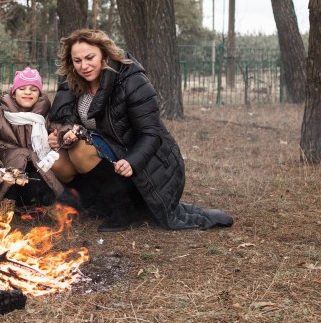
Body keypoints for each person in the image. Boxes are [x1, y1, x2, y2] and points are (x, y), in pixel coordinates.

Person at [48, 29, 233, 232]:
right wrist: (66, 134)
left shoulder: (132, 81)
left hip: (141, 160)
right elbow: (66, 119)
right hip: (103, 152)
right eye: (77, 60)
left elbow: (152, 133)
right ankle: (100, 205)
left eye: (90, 57)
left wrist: (132, 161)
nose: (84, 66)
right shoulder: (73, 82)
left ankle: (125, 212)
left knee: (80, 150)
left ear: (104, 54)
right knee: (57, 162)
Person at [0, 67, 70, 219]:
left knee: (38, 163)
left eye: (33, 89)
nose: (27, 92)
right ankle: (6, 203)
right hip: (8, 174)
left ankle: (48, 202)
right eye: (22, 88)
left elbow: (62, 130)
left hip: (37, 174)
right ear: (13, 92)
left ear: (40, 93)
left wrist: (65, 135)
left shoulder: (46, 115)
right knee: (21, 155)